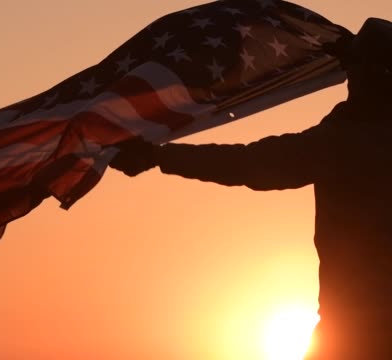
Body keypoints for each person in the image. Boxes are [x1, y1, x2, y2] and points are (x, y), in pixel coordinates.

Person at [109, 18, 392, 360]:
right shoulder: (347, 137)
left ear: (369, 73)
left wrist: (159, 156)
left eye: (356, 65)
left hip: (357, 336)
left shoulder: (343, 143)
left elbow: (250, 164)